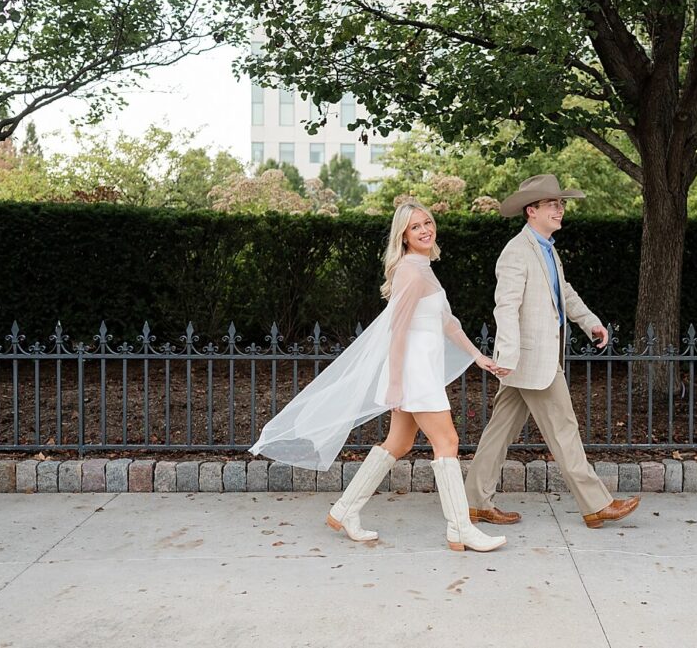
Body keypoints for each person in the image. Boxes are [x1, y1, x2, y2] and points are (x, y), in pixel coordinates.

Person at [250, 201, 506, 553]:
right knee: (447, 441)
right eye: (415, 227)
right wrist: (396, 384)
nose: (425, 230)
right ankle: (460, 529)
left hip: (420, 370)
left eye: (427, 222)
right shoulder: (410, 272)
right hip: (414, 372)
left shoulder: (423, 268)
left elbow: (448, 323)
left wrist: (478, 356)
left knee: (398, 443)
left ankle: (344, 510)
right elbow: (397, 331)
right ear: (403, 236)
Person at [464, 174, 641, 528]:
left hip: (530, 362)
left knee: (498, 433)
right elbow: (506, 306)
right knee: (564, 429)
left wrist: (590, 322)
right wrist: (507, 357)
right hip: (530, 360)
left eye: (561, 203)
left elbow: (565, 293)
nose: (560, 209)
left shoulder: (546, 248)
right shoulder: (516, 252)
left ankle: (473, 502)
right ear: (531, 210)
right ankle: (596, 504)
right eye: (552, 204)